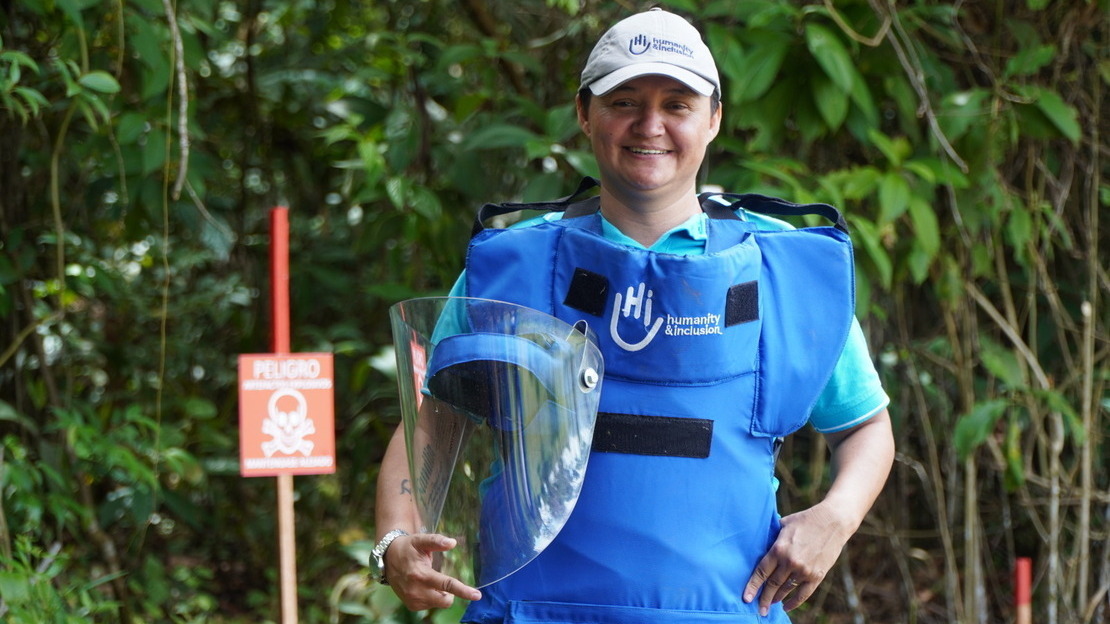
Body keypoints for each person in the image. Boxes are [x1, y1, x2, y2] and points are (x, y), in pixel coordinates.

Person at [374, 8, 895, 623]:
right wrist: (393, 542)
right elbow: (432, 423)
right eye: (624, 101)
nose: (650, 125)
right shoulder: (513, 265)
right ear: (584, 112)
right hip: (532, 612)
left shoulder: (779, 270)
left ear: (713, 119)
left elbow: (865, 426)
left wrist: (835, 518)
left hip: (722, 610)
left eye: (677, 105)